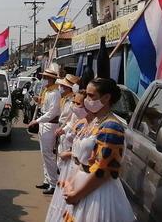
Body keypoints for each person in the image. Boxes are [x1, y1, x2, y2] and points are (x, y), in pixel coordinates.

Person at [62, 78, 135, 222]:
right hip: (82, 188)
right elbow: (84, 160)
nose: (86, 100)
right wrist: (71, 182)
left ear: (106, 97)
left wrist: (77, 194)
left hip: (98, 194)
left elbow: (105, 170)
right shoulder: (95, 121)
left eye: (91, 96)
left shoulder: (112, 127)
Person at [45, 89, 87, 221]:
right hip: (70, 165)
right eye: (74, 102)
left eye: (78, 103)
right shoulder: (80, 120)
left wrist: (70, 154)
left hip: (78, 169)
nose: (75, 106)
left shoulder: (96, 125)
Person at [28, 68, 60, 195]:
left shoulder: (55, 93)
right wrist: (38, 100)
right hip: (44, 125)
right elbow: (45, 107)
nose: (44, 80)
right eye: (44, 77)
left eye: (46, 77)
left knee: (48, 155)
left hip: (49, 125)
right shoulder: (47, 91)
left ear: (52, 79)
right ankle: (47, 180)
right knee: (44, 155)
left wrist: (37, 121)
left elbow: (52, 113)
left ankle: (53, 183)